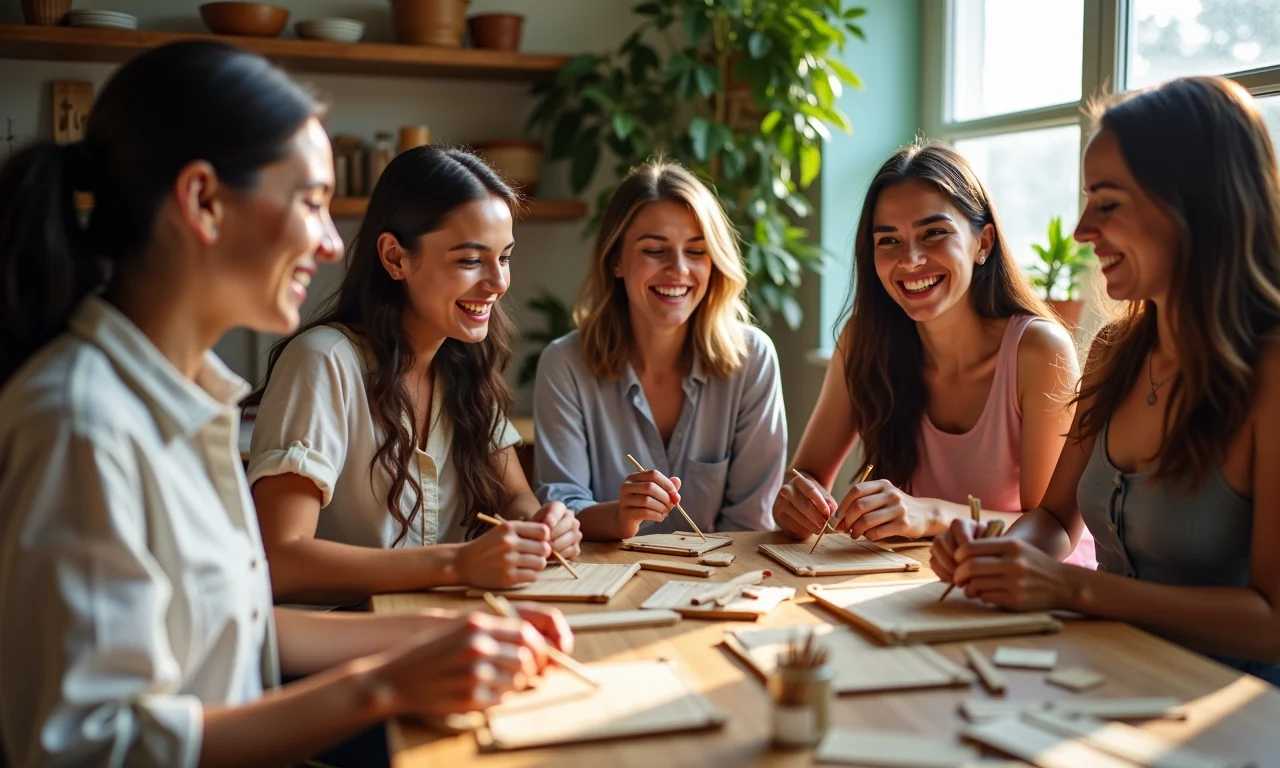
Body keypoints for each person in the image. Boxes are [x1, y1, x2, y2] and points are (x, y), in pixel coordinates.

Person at [0, 41, 572, 767]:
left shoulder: (189, 398)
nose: (333, 242)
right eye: (310, 203)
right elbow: (89, 748)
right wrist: (383, 687)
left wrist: (452, 637)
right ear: (204, 201)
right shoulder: (79, 421)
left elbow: (245, 630)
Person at [932, 76, 1280, 684]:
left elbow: (1272, 622)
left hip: (1229, 716)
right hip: (1100, 676)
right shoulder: (1115, 350)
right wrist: (1003, 553)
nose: (1081, 230)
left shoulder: (1271, 376)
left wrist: (1072, 589)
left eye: (1108, 203)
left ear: (1196, 205)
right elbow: (1057, 516)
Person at [248, 145, 582, 607]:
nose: (499, 282)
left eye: (504, 257)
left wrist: (543, 527)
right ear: (395, 258)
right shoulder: (324, 361)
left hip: (439, 626)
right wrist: (458, 564)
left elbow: (515, 502)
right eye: (470, 260)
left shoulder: (467, 361)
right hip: (337, 647)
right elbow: (279, 561)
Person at [774, 140, 1093, 567]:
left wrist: (931, 513)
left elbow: (1051, 527)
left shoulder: (1038, 351)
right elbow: (805, 477)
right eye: (889, 241)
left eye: (934, 233)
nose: (910, 260)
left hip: (1033, 592)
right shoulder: (863, 341)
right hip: (910, 583)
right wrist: (798, 500)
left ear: (983, 243)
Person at [533, 161, 786, 539]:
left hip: (718, 583)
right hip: (606, 583)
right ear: (615, 260)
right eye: (655, 250)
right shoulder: (564, 364)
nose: (679, 269)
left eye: (697, 252)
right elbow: (563, 510)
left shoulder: (754, 358)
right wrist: (619, 517)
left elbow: (750, 520)